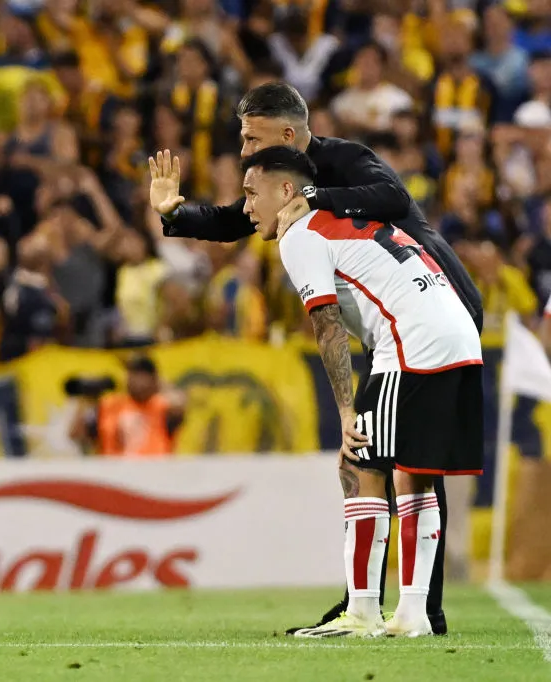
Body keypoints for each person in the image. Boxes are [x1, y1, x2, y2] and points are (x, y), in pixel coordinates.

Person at [148, 82, 484, 636]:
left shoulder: (341, 164)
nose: (243, 150)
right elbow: (237, 219)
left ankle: (407, 606)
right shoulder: (280, 191)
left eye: (251, 138)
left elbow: (393, 200)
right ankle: (393, 604)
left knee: (395, 463)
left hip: (437, 300)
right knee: (403, 464)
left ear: (287, 136)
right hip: (407, 317)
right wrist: (177, 213)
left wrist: (316, 200)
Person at [241, 146, 484, 637]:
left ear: (286, 191)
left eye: (251, 193)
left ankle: (364, 612)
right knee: (412, 472)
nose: (246, 207)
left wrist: (348, 410)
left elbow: (327, 326)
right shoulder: (343, 219)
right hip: (456, 332)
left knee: (359, 461)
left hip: (412, 339)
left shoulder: (301, 235)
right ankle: (412, 613)